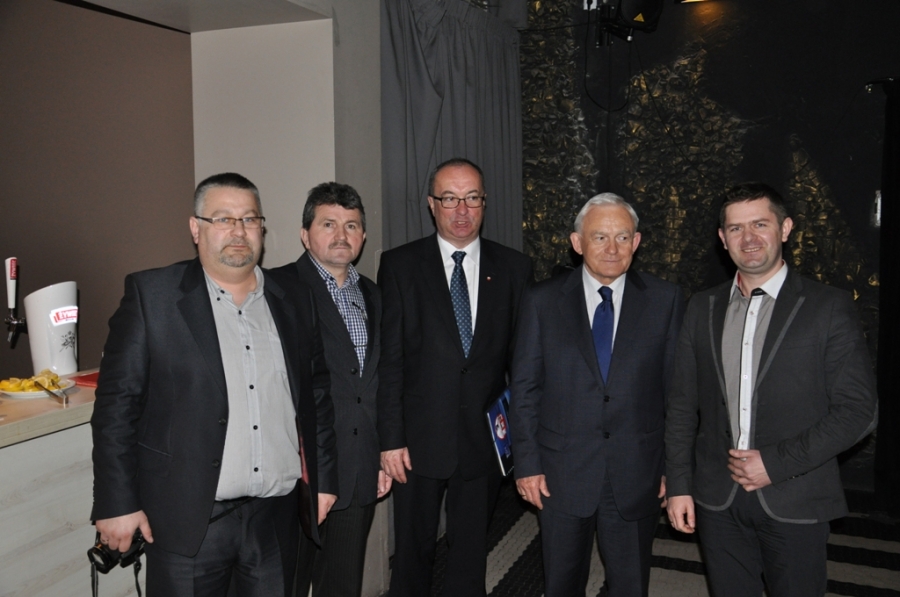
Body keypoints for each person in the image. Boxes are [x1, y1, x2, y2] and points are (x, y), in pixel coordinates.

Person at [90, 172, 339, 597]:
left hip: (275, 521)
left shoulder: (295, 299)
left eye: (249, 219)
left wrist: (324, 480)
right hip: (187, 523)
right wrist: (117, 503)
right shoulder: (153, 297)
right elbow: (116, 408)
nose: (238, 231)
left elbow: (316, 395)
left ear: (261, 228)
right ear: (196, 228)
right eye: (223, 219)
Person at [665, 182, 878, 597]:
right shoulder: (702, 307)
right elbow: (681, 407)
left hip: (795, 495)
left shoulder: (828, 307)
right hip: (717, 499)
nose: (748, 238)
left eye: (760, 224)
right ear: (722, 238)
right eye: (736, 228)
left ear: (785, 228)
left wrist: (775, 464)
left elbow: (859, 411)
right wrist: (678, 485)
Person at [509, 193, 685, 597]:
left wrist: (674, 469)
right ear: (577, 243)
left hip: (638, 472)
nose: (612, 248)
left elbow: (676, 395)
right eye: (599, 237)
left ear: (636, 242)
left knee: (630, 585)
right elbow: (525, 389)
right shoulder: (541, 301)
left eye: (622, 237)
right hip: (559, 474)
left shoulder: (665, 300)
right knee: (562, 583)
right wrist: (527, 464)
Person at [377, 158, 533, 597]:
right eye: (449, 199)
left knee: (470, 555)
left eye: (471, 198)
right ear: (432, 204)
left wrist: (522, 440)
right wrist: (390, 439)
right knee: (412, 555)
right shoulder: (400, 265)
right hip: (415, 441)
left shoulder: (515, 268)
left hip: (483, 441)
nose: (461, 210)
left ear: (484, 202)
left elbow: (522, 364)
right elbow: (390, 361)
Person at [269, 182, 391, 597]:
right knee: (283, 585)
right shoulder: (275, 289)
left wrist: (379, 455)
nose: (342, 235)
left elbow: (377, 384)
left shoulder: (374, 295)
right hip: (295, 473)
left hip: (357, 469)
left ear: (363, 236)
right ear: (305, 235)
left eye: (351, 225)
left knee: (341, 585)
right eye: (328, 224)